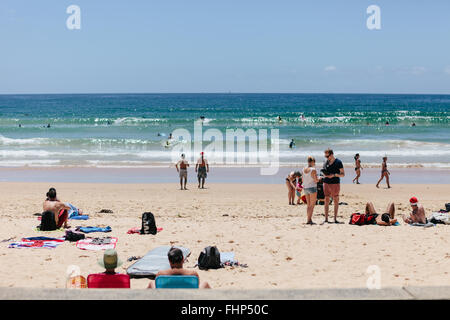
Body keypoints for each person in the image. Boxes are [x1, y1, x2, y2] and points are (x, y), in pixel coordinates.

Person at [321, 148, 345, 224]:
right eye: (325, 156)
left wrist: (334, 175)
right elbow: (323, 172)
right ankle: (326, 219)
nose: (326, 158)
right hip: (326, 182)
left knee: (336, 200)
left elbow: (343, 174)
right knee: (326, 200)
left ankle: (335, 219)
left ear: (331, 154)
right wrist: (324, 175)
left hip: (335, 183)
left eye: (327, 156)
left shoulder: (338, 162)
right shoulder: (325, 162)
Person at [302, 156, 320, 224]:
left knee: (308, 205)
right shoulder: (313, 169)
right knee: (312, 205)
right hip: (312, 187)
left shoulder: (303, 169)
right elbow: (316, 180)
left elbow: (303, 179)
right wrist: (319, 179)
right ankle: (309, 220)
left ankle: (308, 219)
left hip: (305, 187)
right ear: (312, 162)